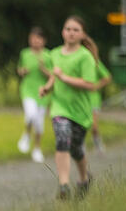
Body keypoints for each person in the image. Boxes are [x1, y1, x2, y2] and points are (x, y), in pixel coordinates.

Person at [39, 16, 98, 200]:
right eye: (68, 29)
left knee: (76, 149)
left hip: (80, 112)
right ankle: (64, 184)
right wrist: (48, 87)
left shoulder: (85, 56)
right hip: (59, 107)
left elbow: (90, 84)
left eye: (75, 30)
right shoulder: (55, 53)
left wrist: (64, 78)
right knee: (62, 139)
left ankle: (84, 178)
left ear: (82, 34)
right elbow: (54, 76)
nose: (71, 33)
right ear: (62, 31)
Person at [16, 27, 52, 163]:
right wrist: (22, 71)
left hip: (43, 92)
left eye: (38, 39)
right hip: (27, 89)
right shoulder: (25, 53)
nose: (35, 41)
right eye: (32, 38)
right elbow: (19, 69)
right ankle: (26, 135)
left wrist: (44, 70)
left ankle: (37, 148)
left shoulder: (48, 56)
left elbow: (53, 76)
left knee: (39, 122)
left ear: (43, 40)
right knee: (30, 114)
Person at [89, 50, 112, 153]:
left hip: (93, 99)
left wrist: (96, 86)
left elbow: (107, 77)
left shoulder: (95, 62)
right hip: (78, 99)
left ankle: (97, 141)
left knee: (93, 126)